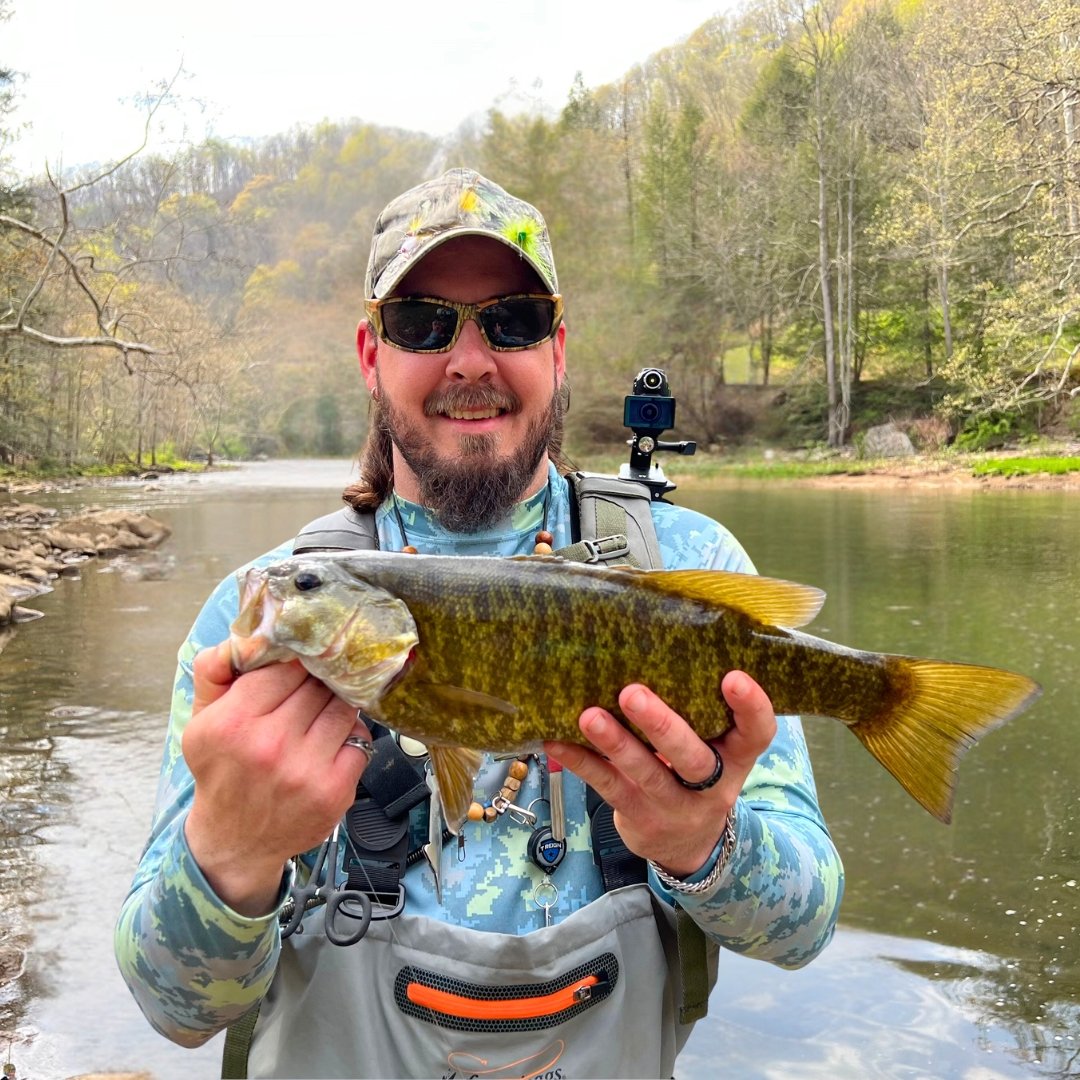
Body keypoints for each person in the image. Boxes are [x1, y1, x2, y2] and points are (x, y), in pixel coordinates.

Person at [115, 168, 843, 1078]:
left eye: (513, 321)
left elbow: (806, 928)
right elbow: (171, 1008)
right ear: (371, 353)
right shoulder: (264, 615)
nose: (469, 360)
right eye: (423, 322)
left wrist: (707, 848)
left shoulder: (687, 572)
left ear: (560, 349)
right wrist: (230, 851)